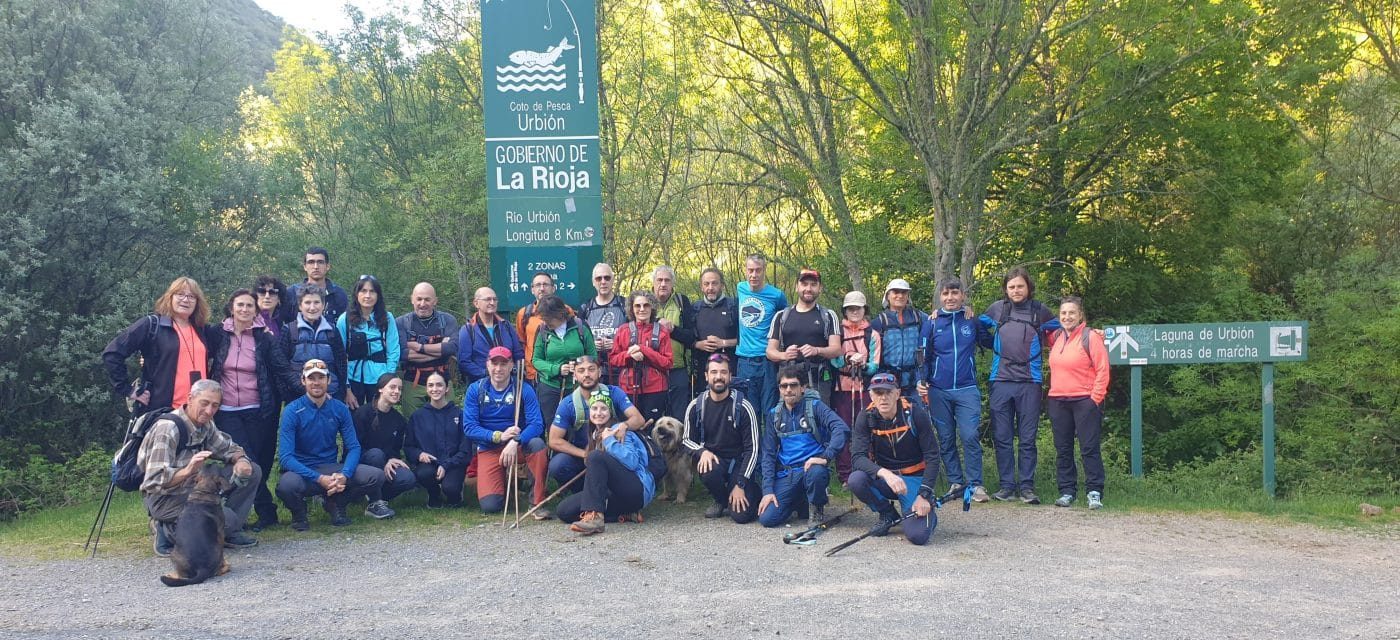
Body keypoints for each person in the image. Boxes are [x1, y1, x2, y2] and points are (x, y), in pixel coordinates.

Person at [137, 379, 260, 556]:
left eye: (215, 406)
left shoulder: (206, 424)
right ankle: (165, 529)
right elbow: (153, 481)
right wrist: (187, 470)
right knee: (227, 520)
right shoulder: (168, 429)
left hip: (194, 487)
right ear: (190, 398)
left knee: (253, 471)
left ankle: (226, 532)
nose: (209, 411)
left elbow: (227, 448)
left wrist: (241, 460)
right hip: (164, 497)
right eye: (204, 403)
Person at [276, 359, 395, 531]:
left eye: (321, 378)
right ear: (303, 381)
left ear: (329, 380)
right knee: (286, 485)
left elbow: (354, 447)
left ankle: (336, 504)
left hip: (332, 468)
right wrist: (319, 479)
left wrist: (344, 475)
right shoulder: (292, 410)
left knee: (375, 476)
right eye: (311, 378)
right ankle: (299, 514)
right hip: (302, 471)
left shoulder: (339, 408)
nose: (316, 382)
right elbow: (286, 457)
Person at [208, 288, 291, 531]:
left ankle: (251, 514)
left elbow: (282, 368)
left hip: (258, 409)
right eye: (240, 305)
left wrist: (305, 391)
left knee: (261, 462)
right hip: (227, 409)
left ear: (256, 311)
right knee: (248, 460)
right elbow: (192, 349)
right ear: (231, 308)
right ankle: (261, 510)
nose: (244, 310)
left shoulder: (264, 338)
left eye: (249, 306)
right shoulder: (216, 334)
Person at [977, 267, 1057, 504]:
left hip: (1030, 382)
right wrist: (992, 344)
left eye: (1020, 286)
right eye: (1011, 287)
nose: (1016, 290)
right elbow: (977, 325)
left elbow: (1062, 328)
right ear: (1006, 289)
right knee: (1002, 436)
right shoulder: (997, 309)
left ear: (1028, 287)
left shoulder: (1039, 310)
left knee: (1027, 437)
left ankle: (1027, 487)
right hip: (1000, 381)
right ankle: (1006, 487)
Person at [919, 278, 991, 503]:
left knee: (970, 435)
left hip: (967, 388)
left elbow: (990, 342)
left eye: (955, 293)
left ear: (963, 296)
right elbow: (923, 354)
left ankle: (976, 485)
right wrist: (922, 380)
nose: (950, 298)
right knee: (946, 438)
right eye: (946, 293)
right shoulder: (931, 322)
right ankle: (956, 483)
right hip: (938, 390)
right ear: (940, 296)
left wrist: (991, 320)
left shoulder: (971, 320)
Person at [848, 373, 941, 546]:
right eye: (878, 393)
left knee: (918, 536)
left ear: (897, 394)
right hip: (887, 480)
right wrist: (885, 474)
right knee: (856, 479)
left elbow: (933, 456)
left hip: (914, 480)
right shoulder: (866, 417)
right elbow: (857, 458)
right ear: (871, 396)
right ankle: (887, 514)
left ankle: (928, 513)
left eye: (888, 393)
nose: (883, 398)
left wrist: (924, 494)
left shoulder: (915, 413)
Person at [103, 277, 216, 417]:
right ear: (170, 297)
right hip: (163, 413)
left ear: (198, 302)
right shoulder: (152, 325)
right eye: (180, 294)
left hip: (198, 414)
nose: (186, 300)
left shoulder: (203, 330)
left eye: (192, 296)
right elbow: (112, 353)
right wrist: (128, 390)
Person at [757, 366, 851, 528]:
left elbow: (841, 428)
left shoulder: (815, 407)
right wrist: (767, 491)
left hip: (811, 470)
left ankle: (816, 507)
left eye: (793, 385)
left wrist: (825, 456)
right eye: (783, 386)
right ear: (779, 389)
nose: (788, 390)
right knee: (767, 519)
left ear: (803, 388)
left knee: (817, 471)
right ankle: (799, 501)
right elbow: (768, 454)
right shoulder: (774, 414)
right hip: (787, 474)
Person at [463, 347, 551, 517]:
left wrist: (516, 440)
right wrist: (498, 436)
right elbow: (469, 427)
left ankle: (536, 502)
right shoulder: (476, 389)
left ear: (511, 365)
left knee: (538, 444)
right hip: (490, 447)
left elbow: (537, 424)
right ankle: (505, 489)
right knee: (491, 505)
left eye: (504, 364)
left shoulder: (523, 389)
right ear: (487, 365)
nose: (498, 368)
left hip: (518, 446)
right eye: (494, 363)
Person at [558, 392, 659, 535]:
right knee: (564, 511)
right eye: (594, 409)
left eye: (603, 409)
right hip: (612, 492)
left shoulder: (620, 430)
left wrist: (609, 441)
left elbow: (632, 462)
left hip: (637, 489)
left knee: (595, 457)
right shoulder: (594, 434)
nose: (598, 413)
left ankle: (596, 519)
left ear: (610, 412)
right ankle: (624, 514)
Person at [1046, 296, 1110, 510]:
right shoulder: (1055, 336)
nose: (1067, 317)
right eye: (1063, 313)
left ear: (1080, 315)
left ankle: (1094, 491)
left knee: (1089, 448)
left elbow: (1103, 369)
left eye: (1072, 313)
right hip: (1058, 400)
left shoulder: (1090, 337)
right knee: (1063, 449)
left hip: (1085, 400)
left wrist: (1095, 399)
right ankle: (1067, 491)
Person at [547, 355, 645, 493]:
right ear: (575, 375)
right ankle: (582, 492)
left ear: (599, 372)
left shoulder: (614, 393)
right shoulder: (568, 404)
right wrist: (585, 454)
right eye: (581, 371)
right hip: (583, 457)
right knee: (557, 465)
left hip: (612, 454)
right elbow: (554, 440)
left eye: (591, 369)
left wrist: (624, 426)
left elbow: (639, 419)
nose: (586, 374)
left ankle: (616, 493)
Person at [681, 355, 761, 523]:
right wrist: (702, 451)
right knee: (706, 467)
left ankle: (752, 491)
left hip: (739, 463)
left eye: (723, 372)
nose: (719, 376)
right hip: (714, 460)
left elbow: (753, 450)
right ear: (706, 376)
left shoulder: (744, 406)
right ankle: (721, 500)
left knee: (741, 516)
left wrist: (740, 484)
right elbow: (686, 440)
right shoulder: (696, 406)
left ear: (730, 376)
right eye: (714, 372)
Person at [766, 268, 841, 404]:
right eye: (804, 284)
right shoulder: (781, 316)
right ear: (797, 287)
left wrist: (817, 350)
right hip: (788, 379)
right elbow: (770, 352)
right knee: (788, 420)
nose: (808, 288)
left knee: (819, 420)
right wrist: (784, 355)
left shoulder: (828, 316)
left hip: (818, 378)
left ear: (820, 288)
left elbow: (836, 349)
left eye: (813, 285)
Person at [830, 290, 881, 484]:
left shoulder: (872, 334)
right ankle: (845, 475)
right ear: (845, 310)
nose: (854, 311)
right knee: (843, 429)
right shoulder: (837, 333)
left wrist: (863, 365)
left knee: (867, 428)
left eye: (858, 308)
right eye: (850, 308)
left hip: (865, 387)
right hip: (841, 388)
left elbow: (875, 364)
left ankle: (867, 471)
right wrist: (846, 359)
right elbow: (833, 361)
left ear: (864, 309)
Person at [405, 372, 473, 508]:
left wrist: (447, 464)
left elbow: (465, 449)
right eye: (430, 385)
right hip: (430, 464)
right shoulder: (417, 416)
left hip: (454, 463)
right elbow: (408, 447)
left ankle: (455, 496)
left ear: (447, 388)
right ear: (426, 389)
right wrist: (419, 454)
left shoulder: (459, 414)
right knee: (424, 474)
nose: (435, 389)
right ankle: (433, 494)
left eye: (439, 385)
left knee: (450, 488)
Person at [735, 254, 788, 426]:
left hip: (767, 361)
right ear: (745, 270)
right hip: (745, 361)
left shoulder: (776, 295)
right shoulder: (740, 288)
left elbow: (785, 320)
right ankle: (753, 451)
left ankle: (770, 451)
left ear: (764, 271)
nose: (754, 275)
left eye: (758, 270)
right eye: (750, 270)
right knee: (749, 411)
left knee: (770, 410)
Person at [351, 373, 418, 505]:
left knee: (408, 478)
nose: (396, 391)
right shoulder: (362, 413)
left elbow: (395, 449)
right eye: (392, 387)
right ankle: (370, 498)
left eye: (399, 389)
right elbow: (353, 447)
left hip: (385, 464)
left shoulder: (399, 420)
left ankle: (379, 498)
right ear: (381, 389)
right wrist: (382, 459)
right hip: (361, 463)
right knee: (376, 454)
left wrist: (391, 459)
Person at [532, 294, 597, 431]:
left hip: (579, 387)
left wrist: (580, 367)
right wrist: (557, 368)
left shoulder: (580, 326)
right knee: (553, 427)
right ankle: (555, 452)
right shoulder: (543, 331)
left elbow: (592, 356)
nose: (545, 321)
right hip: (550, 388)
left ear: (560, 313)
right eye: (543, 317)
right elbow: (536, 360)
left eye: (548, 317)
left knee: (581, 426)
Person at [609, 290, 673, 425]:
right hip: (628, 388)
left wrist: (643, 349)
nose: (642, 309)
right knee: (628, 429)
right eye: (638, 306)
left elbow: (668, 363)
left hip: (656, 389)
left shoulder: (662, 331)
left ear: (652, 307)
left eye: (646, 305)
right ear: (632, 309)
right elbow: (613, 359)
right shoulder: (623, 330)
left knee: (652, 428)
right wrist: (629, 355)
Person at [338, 274, 400, 411]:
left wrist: (388, 380)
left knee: (378, 418)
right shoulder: (345, 319)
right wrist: (346, 388)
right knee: (354, 419)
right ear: (356, 294)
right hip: (353, 377)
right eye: (363, 291)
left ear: (378, 295)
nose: (367, 295)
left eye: (372, 291)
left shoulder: (387, 318)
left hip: (380, 378)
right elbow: (339, 355)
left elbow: (393, 350)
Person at [397, 282, 459, 417]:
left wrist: (420, 347)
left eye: (427, 299)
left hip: (443, 381)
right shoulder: (401, 323)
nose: (422, 303)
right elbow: (403, 353)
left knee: (449, 422)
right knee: (413, 425)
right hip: (413, 383)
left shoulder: (447, 320)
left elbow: (452, 348)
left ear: (435, 301)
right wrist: (439, 351)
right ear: (412, 299)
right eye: (419, 299)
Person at [278, 285, 348, 403]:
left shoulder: (332, 331)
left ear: (323, 305)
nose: (312, 307)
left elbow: (341, 364)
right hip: (298, 397)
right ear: (300, 306)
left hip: (331, 395)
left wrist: (340, 393)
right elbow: (282, 366)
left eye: (316, 302)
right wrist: (291, 394)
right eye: (307, 302)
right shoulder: (289, 330)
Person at [869, 278, 930, 402]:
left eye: (904, 292)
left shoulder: (919, 317)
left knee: (916, 417)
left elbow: (938, 321)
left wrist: (964, 310)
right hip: (888, 381)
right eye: (896, 292)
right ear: (888, 296)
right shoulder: (879, 322)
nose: (900, 296)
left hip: (915, 380)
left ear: (908, 296)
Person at [652, 265, 697, 419]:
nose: (663, 284)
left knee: (679, 417)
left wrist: (672, 330)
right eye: (659, 280)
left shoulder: (681, 301)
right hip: (652, 370)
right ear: (653, 282)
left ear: (672, 284)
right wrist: (658, 323)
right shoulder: (645, 302)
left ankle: (680, 443)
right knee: (655, 416)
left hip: (678, 368)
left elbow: (692, 336)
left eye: (667, 280)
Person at [458, 287, 524, 388]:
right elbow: (464, 362)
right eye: (488, 299)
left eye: (494, 299)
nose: (492, 303)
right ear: (476, 303)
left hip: (509, 384)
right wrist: (488, 374)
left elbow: (518, 354)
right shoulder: (468, 330)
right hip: (481, 385)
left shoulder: (506, 326)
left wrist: (514, 372)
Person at [517, 271, 573, 384]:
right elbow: (522, 342)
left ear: (553, 288)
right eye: (538, 285)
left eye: (545, 284)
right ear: (532, 289)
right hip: (533, 374)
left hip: (561, 374)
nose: (542, 288)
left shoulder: (566, 310)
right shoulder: (524, 313)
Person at [579, 263, 626, 386]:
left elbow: (637, 337)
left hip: (621, 370)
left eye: (607, 278)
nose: (603, 282)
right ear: (593, 282)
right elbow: (578, 341)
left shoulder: (625, 305)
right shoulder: (585, 308)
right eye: (599, 278)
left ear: (613, 280)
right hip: (593, 371)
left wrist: (617, 344)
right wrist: (591, 346)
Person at [690, 267, 739, 376]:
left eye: (714, 283)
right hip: (703, 372)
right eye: (706, 284)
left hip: (730, 371)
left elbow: (745, 339)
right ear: (702, 287)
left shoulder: (734, 306)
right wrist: (698, 344)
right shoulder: (695, 309)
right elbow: (688, 338)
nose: (710, 288)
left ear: (722, 285)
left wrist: (724, 343)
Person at [287, 247, 349, 323]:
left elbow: (344, 325)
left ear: (327, 266)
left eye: (320, 262)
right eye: (311, 262)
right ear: (305, 267)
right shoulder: (292, 293)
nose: (316, 267)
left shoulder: (339, 294)